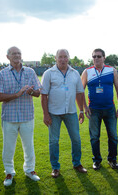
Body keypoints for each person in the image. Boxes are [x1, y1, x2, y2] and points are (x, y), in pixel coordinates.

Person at [0, 46, 41, 186]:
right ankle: (9, 172)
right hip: (9, 117)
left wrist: (31, 92)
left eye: (18, 53)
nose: (16, 55)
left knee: (29, 146)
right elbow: (0, 97)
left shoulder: (30, 71)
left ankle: (30, 170)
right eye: (13, 54)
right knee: (8, 147)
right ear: (7, 57)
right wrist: (17, 94)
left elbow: (38, 93)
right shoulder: (2, 74)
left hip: (27, 116)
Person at [41, 49, 87, 178]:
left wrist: (81, 110)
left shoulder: (75, 73)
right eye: (60, 57)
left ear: (68, 58)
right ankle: (55, 167)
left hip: (71, 112)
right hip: (54, 113)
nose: (62, 59)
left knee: (76, 139)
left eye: (65, 57)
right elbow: (43, 95)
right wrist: (45, 114)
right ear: (55, 58)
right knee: (54, 141)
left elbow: (79, 93)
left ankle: (77, 164)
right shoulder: (48, 73)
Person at [81, 48, 118, 170]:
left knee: (113, 136)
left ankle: (112, 159)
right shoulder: (87, 72)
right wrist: (84, 107)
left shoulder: (112, 70)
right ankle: (97, 160)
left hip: (110, 109)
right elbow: (80, 91)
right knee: (94, 136)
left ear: (104, 57)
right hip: (93, 109)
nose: (96, 59)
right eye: (94, 56)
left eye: (99, 56)